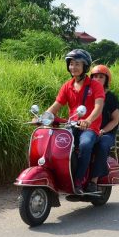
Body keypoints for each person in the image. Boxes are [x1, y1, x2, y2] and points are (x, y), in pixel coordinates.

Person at [44, 49, 105, 195]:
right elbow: (56, 105)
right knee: (58, 144)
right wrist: (43, 117)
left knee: (85, 145)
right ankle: (60, 177)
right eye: (71, 64)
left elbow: (99, 106)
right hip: (72, 125)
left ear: (85, 67)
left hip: (90, 128)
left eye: (77, 64)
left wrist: (88, 120)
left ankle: (78, 180)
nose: (73, 67)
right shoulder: (67, 86)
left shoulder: (95, 86)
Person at [90, 64, 119, 182]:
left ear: (107, 80)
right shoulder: (88, 95)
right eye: (95, 76)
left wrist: (103, 131)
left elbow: (115, 120)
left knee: (102, 145)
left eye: (101, 77)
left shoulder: (111, 98)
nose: (97, 79)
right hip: (89, 130)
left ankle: (94, 179)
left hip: (106, 133)